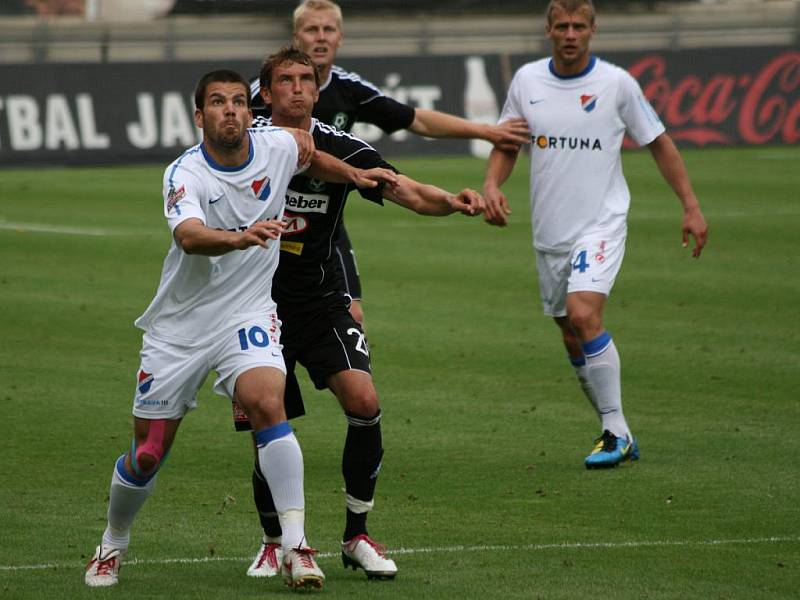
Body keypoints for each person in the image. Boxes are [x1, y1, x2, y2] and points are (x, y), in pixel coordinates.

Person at [83, 68, 395, 590]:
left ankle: (295, 546)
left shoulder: (276, 143)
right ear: (199, 116)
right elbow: (189, 236)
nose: (230, 110)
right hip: (180, 329)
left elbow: (307, 151)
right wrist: (240, 237)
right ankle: (112, 543)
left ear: (250, 112)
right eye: (217, 103)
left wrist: (356, 176)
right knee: (148, 454)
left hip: (248, 315)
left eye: (237, 102)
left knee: (268, 405)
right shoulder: (184, 173)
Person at [240, 47, 484, 581]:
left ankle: (356, 535)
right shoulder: (244, 139)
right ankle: (272, 539)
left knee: (364, 400)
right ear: (267, 91)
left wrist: (452, 200)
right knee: (269, 418)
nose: (299, 89)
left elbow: (409, 192)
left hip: (321, 299)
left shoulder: (343, 144)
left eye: (307, 79)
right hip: (253, 304)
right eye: (286, 80)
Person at [482, 0, 708, 469]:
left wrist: (690, 205)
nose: (569, 34)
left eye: (578, 26)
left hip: (601, 223)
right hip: (551, 232)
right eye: (561, 26)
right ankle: (620, 429)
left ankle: (612, 430)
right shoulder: (527, 81)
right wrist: (490, 185)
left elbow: (659, 142)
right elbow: (508, 144)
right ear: (548, 30)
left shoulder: (616, 84)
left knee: (585, 316)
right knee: (570, 333)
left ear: (592, 31)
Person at [250, 0, 529, 328]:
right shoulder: (263, 92)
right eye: (312, 29)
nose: (321, 37)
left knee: (352, 314)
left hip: (325, 213)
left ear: (341, 37)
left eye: (329, 29)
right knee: (263, 312)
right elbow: (246, 136)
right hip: (265, 213)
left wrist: (486, 132)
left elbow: (416, 120)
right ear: (297, 37)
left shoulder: (350, 89)